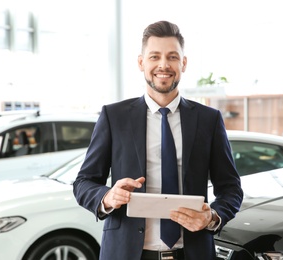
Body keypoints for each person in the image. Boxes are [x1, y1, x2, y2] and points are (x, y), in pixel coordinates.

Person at [73, 20, 243, 260]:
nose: (164, 65)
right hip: (127, 253)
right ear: (141, 62)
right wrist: (107, 197)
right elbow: (84, 182)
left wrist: (212, 216)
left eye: (172, 57)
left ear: (183, 63)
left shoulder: (209, 119)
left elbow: (231, 189)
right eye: (154, 57)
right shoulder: (114, 116)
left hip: (191, 253)